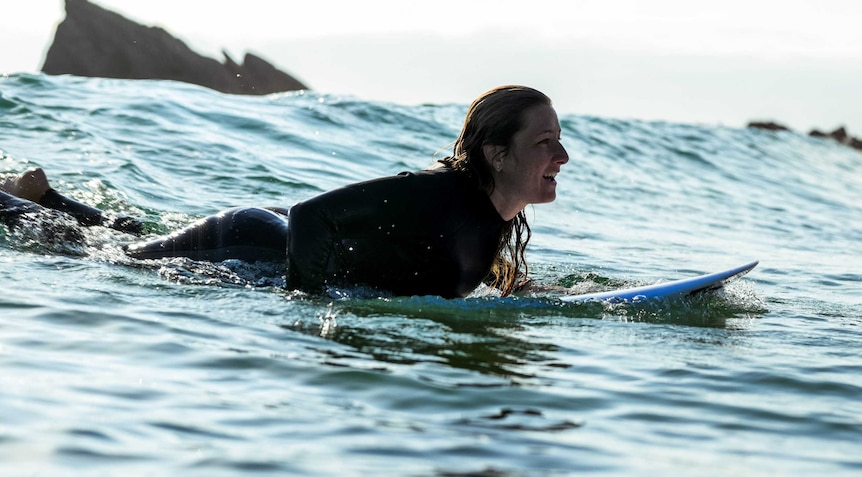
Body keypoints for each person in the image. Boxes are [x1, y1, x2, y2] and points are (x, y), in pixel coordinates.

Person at [0, 85, 569, 297]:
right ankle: (16, 205)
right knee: (101, 260)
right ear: (496, 153)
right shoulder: (441, 194)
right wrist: (306, 303)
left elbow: (444, 264)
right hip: (249, 240)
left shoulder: (491, 215)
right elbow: (312, 218)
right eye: (546, 142)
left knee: (128, 243)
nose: (562, 157)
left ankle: (44, 197)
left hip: (264, 242)